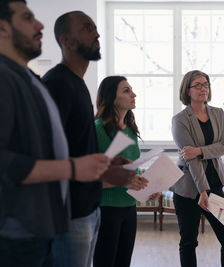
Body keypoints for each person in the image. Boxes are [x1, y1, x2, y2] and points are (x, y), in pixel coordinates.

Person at [0, 1, 110, 266]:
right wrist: (72, 168)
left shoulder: (30, 79)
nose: (39, 25)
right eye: (27, 18)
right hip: (19, 230)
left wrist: (98, 168)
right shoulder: (9, 79)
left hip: (45, 224)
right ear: (3, 29)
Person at [42, 11, 139, 267]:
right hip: (69, 214)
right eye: (87, 28)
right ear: (66, 40)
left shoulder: (76, 84)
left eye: (96, 28)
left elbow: (75, 150)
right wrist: (106, 175)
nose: (96, 33)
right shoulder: (58, 84)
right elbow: (46, 155)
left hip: (87, 209)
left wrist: (107, 167)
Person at [170, 70, 224, 267]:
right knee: (189, 242)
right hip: (188, 190)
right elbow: (190, 160)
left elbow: (223, 145)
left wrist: (199, 150)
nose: (203, 88)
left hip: (215, 186)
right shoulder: (180, 120)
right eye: (198, 85)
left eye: (206, 84)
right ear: (187, 90)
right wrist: (202, 191)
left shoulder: (218, 113)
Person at [93, 76, 159, 267]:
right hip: (106, 208)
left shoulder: (130, 130)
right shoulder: (97, 130)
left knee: (123, 262)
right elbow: (91, 175)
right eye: (126, 91)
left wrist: (147, 189)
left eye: (132, 90)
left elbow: (132, 169)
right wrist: (123, 180)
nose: (133, 94)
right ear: (111, 97)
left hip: (129, 207)